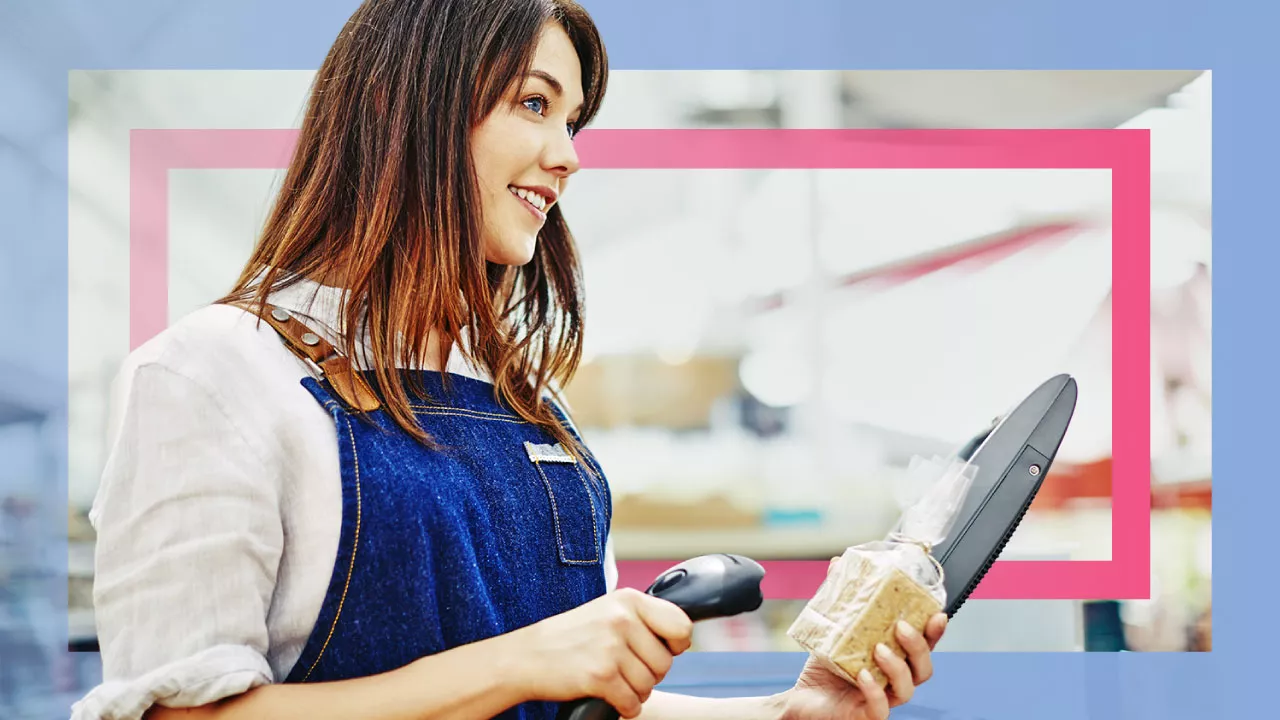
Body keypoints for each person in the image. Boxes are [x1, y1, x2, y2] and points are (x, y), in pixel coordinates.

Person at [72, 1, 947, 719]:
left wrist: (785, 714)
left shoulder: (529, 410)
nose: (567, 156)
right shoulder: (213, 375)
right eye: (534, 105)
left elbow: (586, 701)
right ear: (405, 105)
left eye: (572, 120)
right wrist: (522, 662)